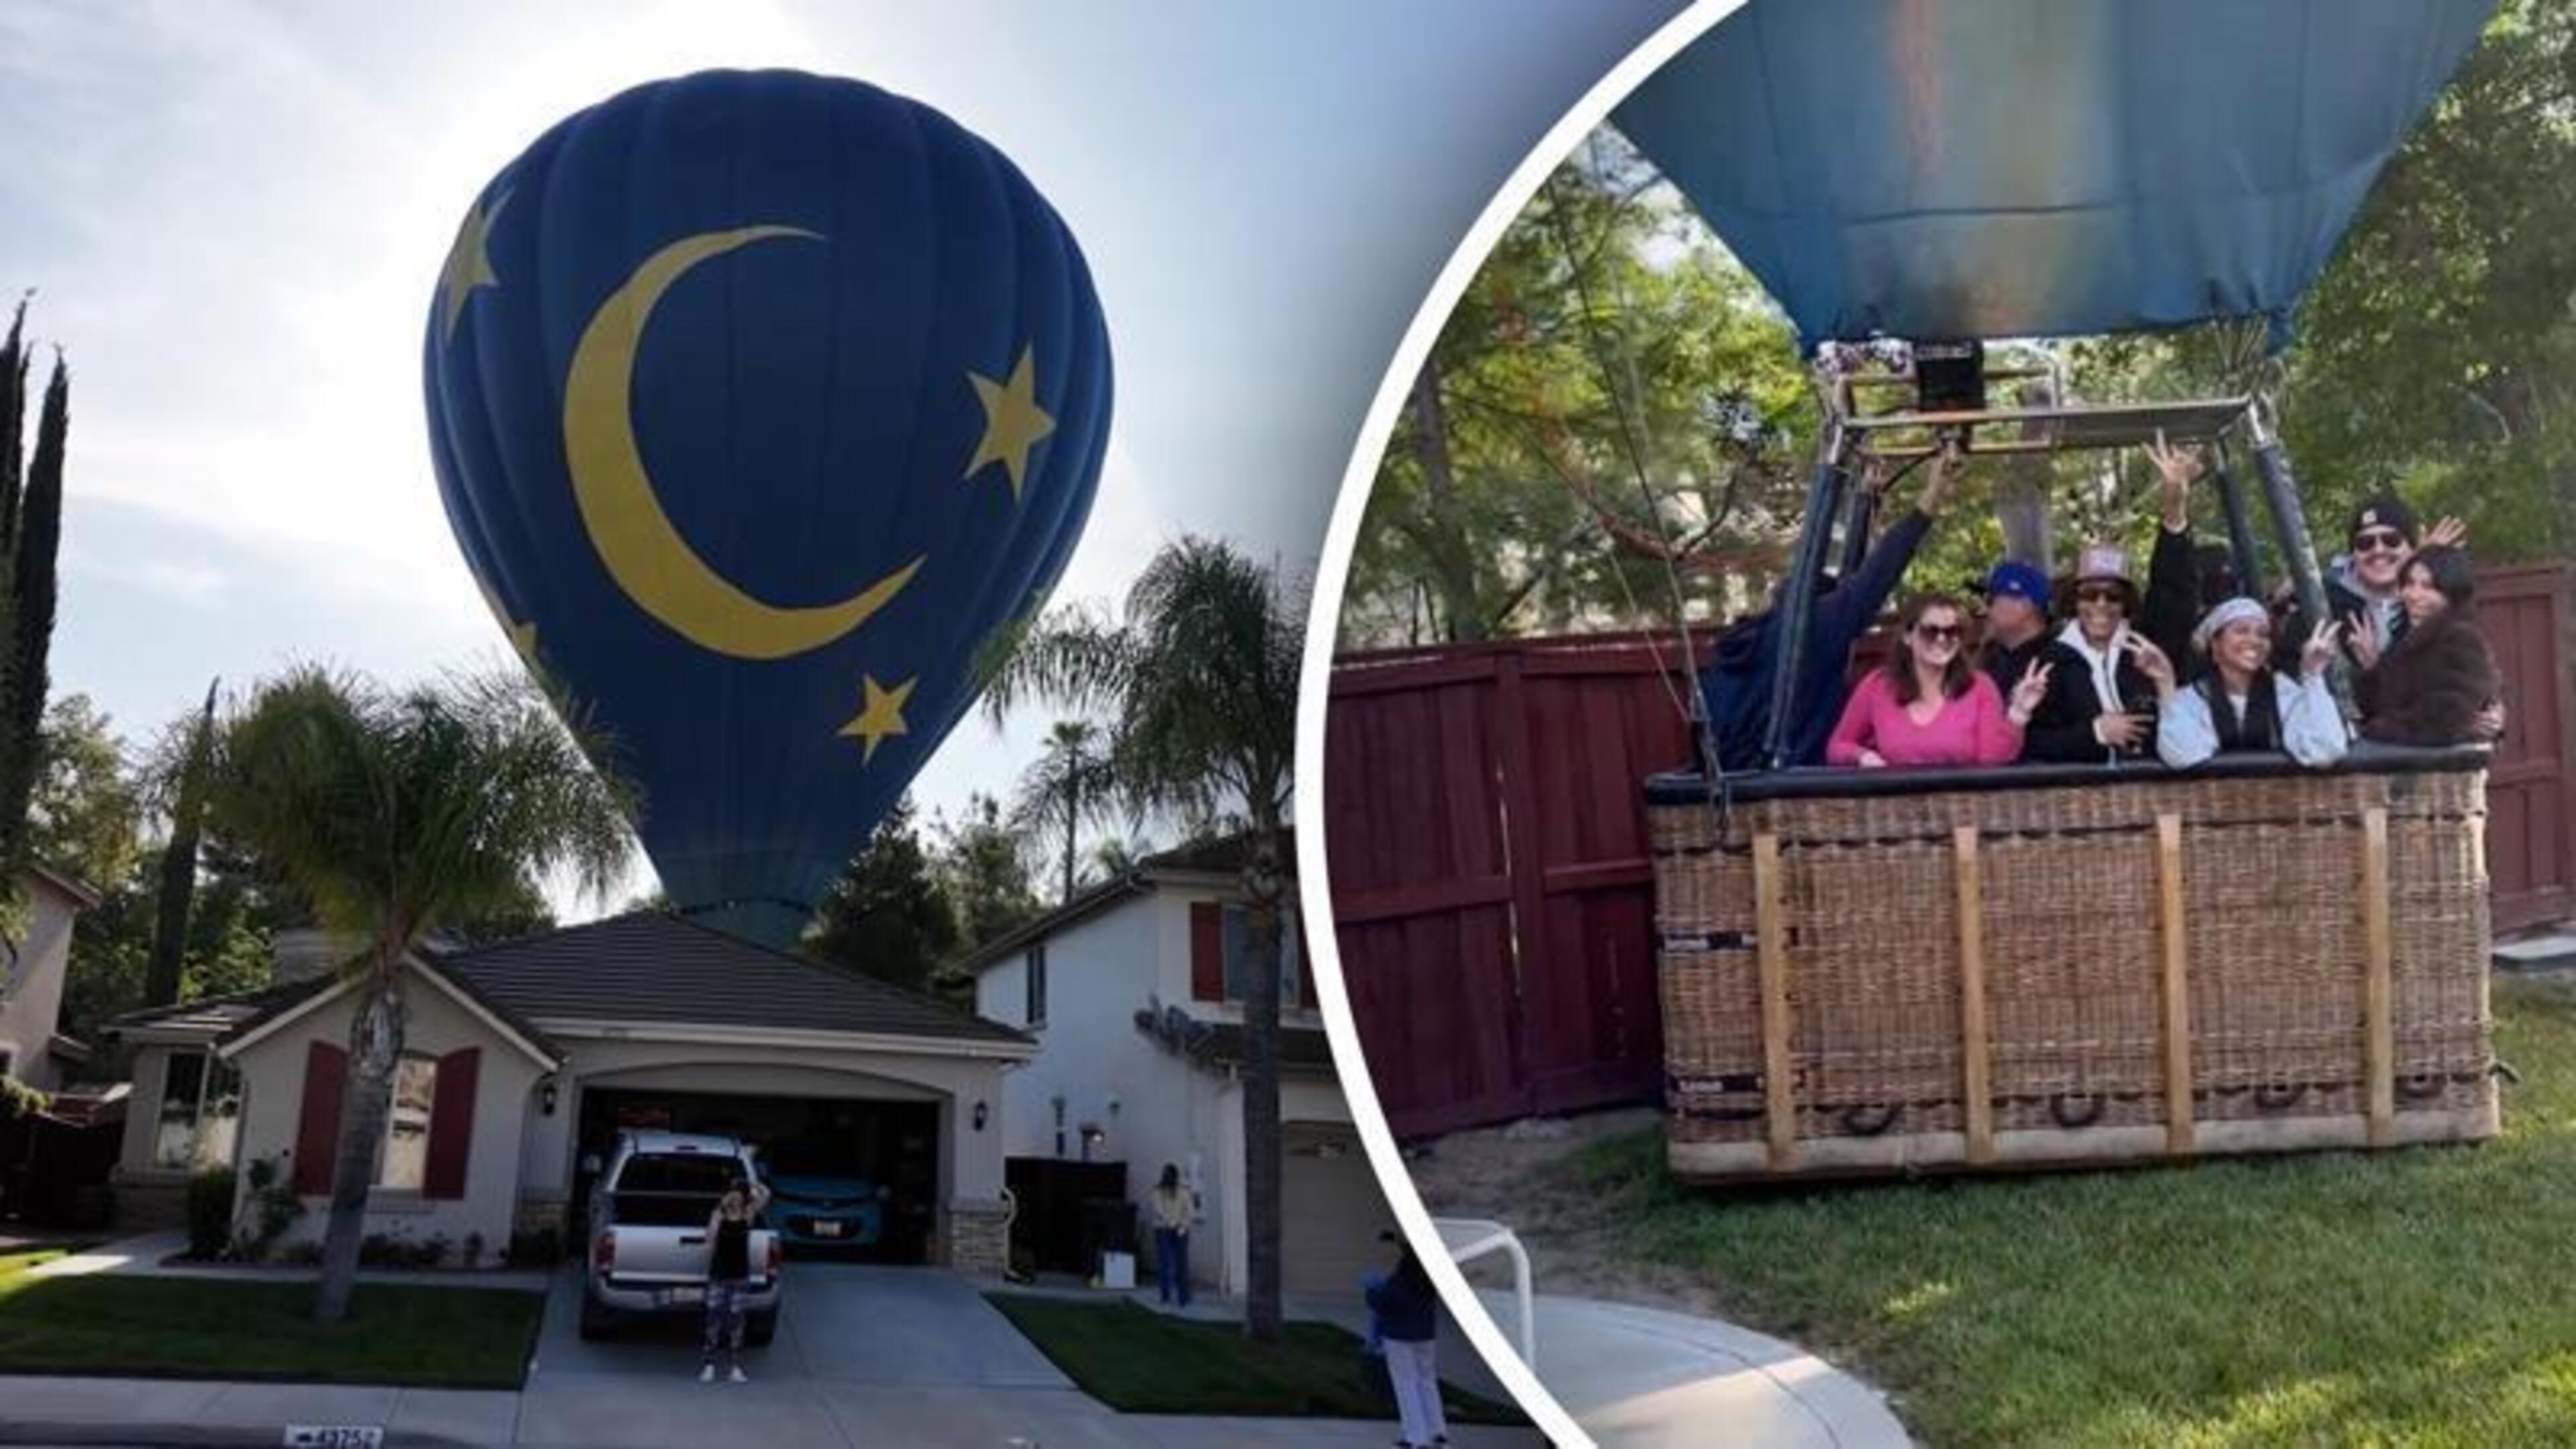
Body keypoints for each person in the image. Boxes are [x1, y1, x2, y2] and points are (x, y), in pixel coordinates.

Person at [1702, 447, 1958, 769]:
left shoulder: (1761, 633)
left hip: (1736, 773)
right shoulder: (1813, 630)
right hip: (1786, 775)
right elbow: (1870, 582)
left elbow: (1852, 578)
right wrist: (1928, 503)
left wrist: (1866, 502)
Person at [1828, 592, 2049, 767]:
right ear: (1908, 636)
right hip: (1895, 811)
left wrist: (2018, 714)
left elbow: (1991, 760)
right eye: (1930, 631)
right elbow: (1837, 746)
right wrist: (1862, 756)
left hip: (1961, 810)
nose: (1942, 639)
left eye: (1951, 631)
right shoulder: (1877, 686)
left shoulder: (1980, 686)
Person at [2275, 492, 2467, 674]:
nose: (2378, 550)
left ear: (2412, 548)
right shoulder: (2320, 603)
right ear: (2353, 554)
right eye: (2365, 543)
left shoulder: (2433, 604)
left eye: (2391, 540)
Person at [2154, 598, 2349, 769]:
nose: (2254, 640)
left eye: (2262, 634)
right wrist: (2165, 684)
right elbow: (2182, 755)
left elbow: (2326, 749)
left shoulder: (2285, 693)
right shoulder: (2191, 700)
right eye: (2241, 631)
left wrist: (2313, 676)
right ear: (2215, 644)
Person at [2355, 545, 2507, 746]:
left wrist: (2373, 731)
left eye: (2428, 587)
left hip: (2442, 772)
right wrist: (2371, 670)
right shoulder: (2408, 635)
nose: (2414, 595)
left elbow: (2446, 720)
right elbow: (2383, 702)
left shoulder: (2460, 638)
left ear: (2452, 594)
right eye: (2409, 583)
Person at [1367, 1244, 1448, 1449]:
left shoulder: (1399, 1282)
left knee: (1406, 1386)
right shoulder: (1429, 1282)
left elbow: (1380, 1302)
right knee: (1427, 1382)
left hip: (1399, 1338)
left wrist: (1370, 1290)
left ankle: (1415, 1437)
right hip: (1426, 1337)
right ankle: (1438, 1433)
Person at [700, 1175, 770, 1385]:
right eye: (731, 1194)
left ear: (744, 1198)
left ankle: (735, 1368)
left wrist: (751, 1183)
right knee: (713, 1320)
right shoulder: (718, 1215)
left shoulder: (748, 1215)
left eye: (738, 1195)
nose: (735, 1198)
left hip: (740, 1276)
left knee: (736, 1322)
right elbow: (709, 1239)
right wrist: (720, 1211)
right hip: (718, 1276)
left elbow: (766, 1195)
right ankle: (709, 1366)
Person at [1148, 1163, 1195, 1309]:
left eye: (1170, 1174)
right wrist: (1170, 1222)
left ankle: (1183, 1297)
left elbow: (1190, 1212)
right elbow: (1158, 1209)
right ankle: (1165, 1296)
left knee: (1182, 1264)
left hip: (1181, 1230)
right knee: (1165, 1264)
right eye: (1165, 1174)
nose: (1167, 1177)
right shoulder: (1157, 1191)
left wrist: (1182, 1225)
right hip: (1163, 1229)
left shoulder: (1183, 1192)